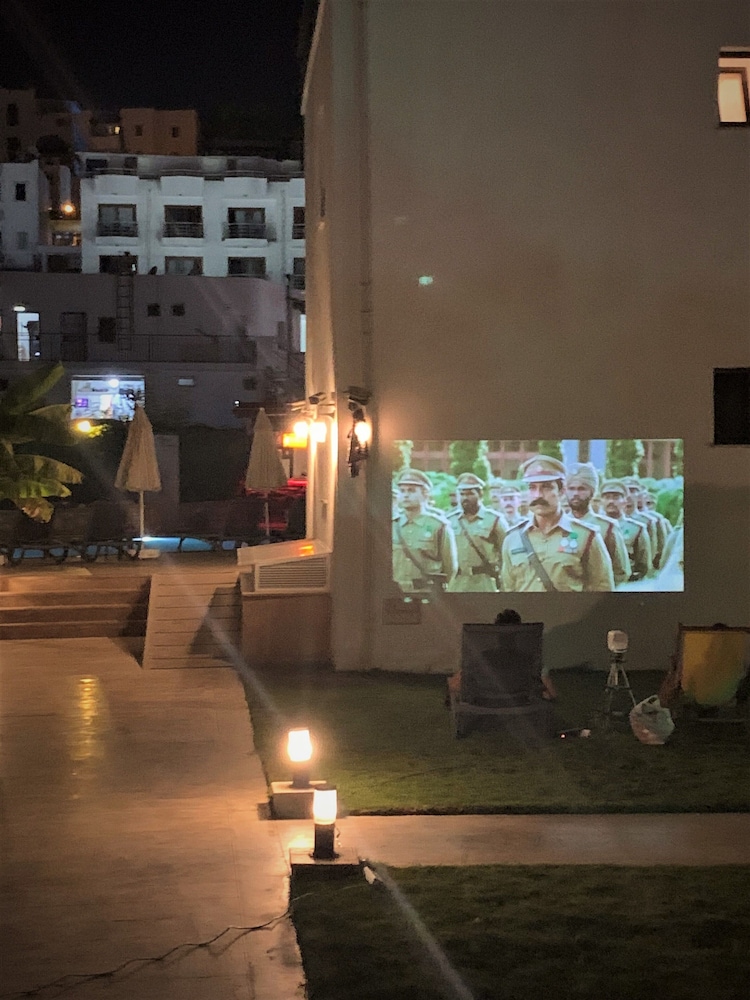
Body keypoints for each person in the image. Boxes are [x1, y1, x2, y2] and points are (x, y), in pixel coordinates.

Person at [500, 456, 614, 592]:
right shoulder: (513, 538)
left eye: (547, 487)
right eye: (532, 488)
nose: (538, 495)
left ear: (561, 491)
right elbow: (508, 588)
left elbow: (602, 587)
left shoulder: (586, 536)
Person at [392, 469, 458, 594]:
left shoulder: (439, 526)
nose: (406, 495)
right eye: (402, 491)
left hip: (427, 593)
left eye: (411, 490)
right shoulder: (393, 525)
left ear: (425, 494)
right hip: (396, 592)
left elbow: (450, 567)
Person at [565, 462, 631, 586]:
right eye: (571, 489)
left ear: (592, 492)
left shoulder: (608, 527)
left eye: (581, 489)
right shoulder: (558, 525)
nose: (575, 494)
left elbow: (621, 571)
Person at [447, 473, 508, 591]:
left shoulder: (495, 520)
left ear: (480, 494)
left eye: (470, 493)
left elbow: (506, 554)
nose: (465, 497)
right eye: (462, 494)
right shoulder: (450, 520)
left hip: (484, 582)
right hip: (457, 583)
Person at [600, 479, 653, 581]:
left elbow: (643, 563)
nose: (611, 501)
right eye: (607, 497)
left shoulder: (637, 528)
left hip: (627, 582)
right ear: (601, 501)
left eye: (616, 497)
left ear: (625, 501)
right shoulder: (594, 526)